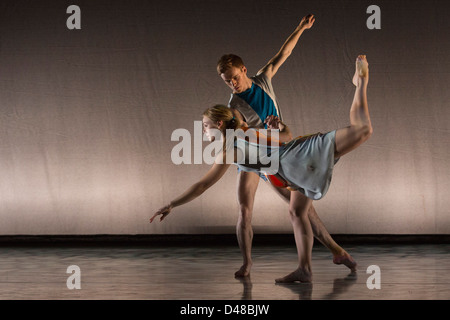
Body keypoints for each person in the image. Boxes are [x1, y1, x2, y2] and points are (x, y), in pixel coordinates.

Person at [151, 55, 373, 283]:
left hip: (297, 163)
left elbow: (202, 185)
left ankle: (361, 81)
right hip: (297, 163)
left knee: (362, 130)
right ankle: (305, 269)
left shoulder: (230, 149)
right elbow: (286, 137)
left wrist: (171, 204)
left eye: (206, 127)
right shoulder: (247, 133)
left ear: (219, 125)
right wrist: (281, 127)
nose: (204, 132)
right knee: (297, 213)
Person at [216, 14, 356, 278]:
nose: (232, 84)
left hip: (275, 159)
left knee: (301, 208)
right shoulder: (234, 107)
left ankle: (337, 251)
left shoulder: (263, 80)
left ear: (243, 70)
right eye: (226, 81)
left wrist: (301, 28)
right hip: (252, 158)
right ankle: (247, 263)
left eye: (234, 77)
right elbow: (240, 136)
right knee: (244, 210)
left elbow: (284, 52)